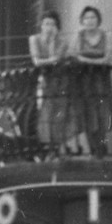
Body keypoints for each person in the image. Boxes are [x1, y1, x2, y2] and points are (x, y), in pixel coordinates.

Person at [71, 5, 111, 157]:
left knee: (101, 113)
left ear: (98, 19)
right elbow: (74, 55)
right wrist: (96, 61)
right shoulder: (79, 35)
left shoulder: (105, 35)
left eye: (93, 17)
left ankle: (101, 148)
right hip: (83, 80)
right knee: (87, 113)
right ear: (82, 20)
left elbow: (107, 58)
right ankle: (92, 148)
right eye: (86, 18)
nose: (90, 21)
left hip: (101, 79)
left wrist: (86, 60)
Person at [29, 11, 68, 154]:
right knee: (43, 114)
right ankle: (46, 148)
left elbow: (56, 59)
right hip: (42, 80)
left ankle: (56, 148)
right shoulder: (34, 39)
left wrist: (52, 41)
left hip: (59, 81)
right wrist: (50, 61)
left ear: (57, 26)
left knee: (58, 115)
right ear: (41, 25)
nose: (49, 27)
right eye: (46, 23)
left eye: (52, 24)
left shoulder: (62, 41)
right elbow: (36, 62)